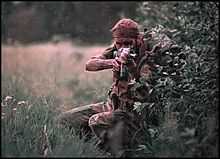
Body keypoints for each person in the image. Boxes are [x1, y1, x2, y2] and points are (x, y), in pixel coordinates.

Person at [57, 18, 178, 157]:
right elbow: (90, 64)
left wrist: (133, 69)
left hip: (135, 113)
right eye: (119, 43)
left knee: (96, 121)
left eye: (127, 43)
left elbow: (147, 93)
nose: (122, 47)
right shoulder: (118, 46)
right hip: (114, 105)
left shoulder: (150, 55)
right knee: (66, 120)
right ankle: (101, 148)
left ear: (137, 39)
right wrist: (112, 62)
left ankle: (124, 152)